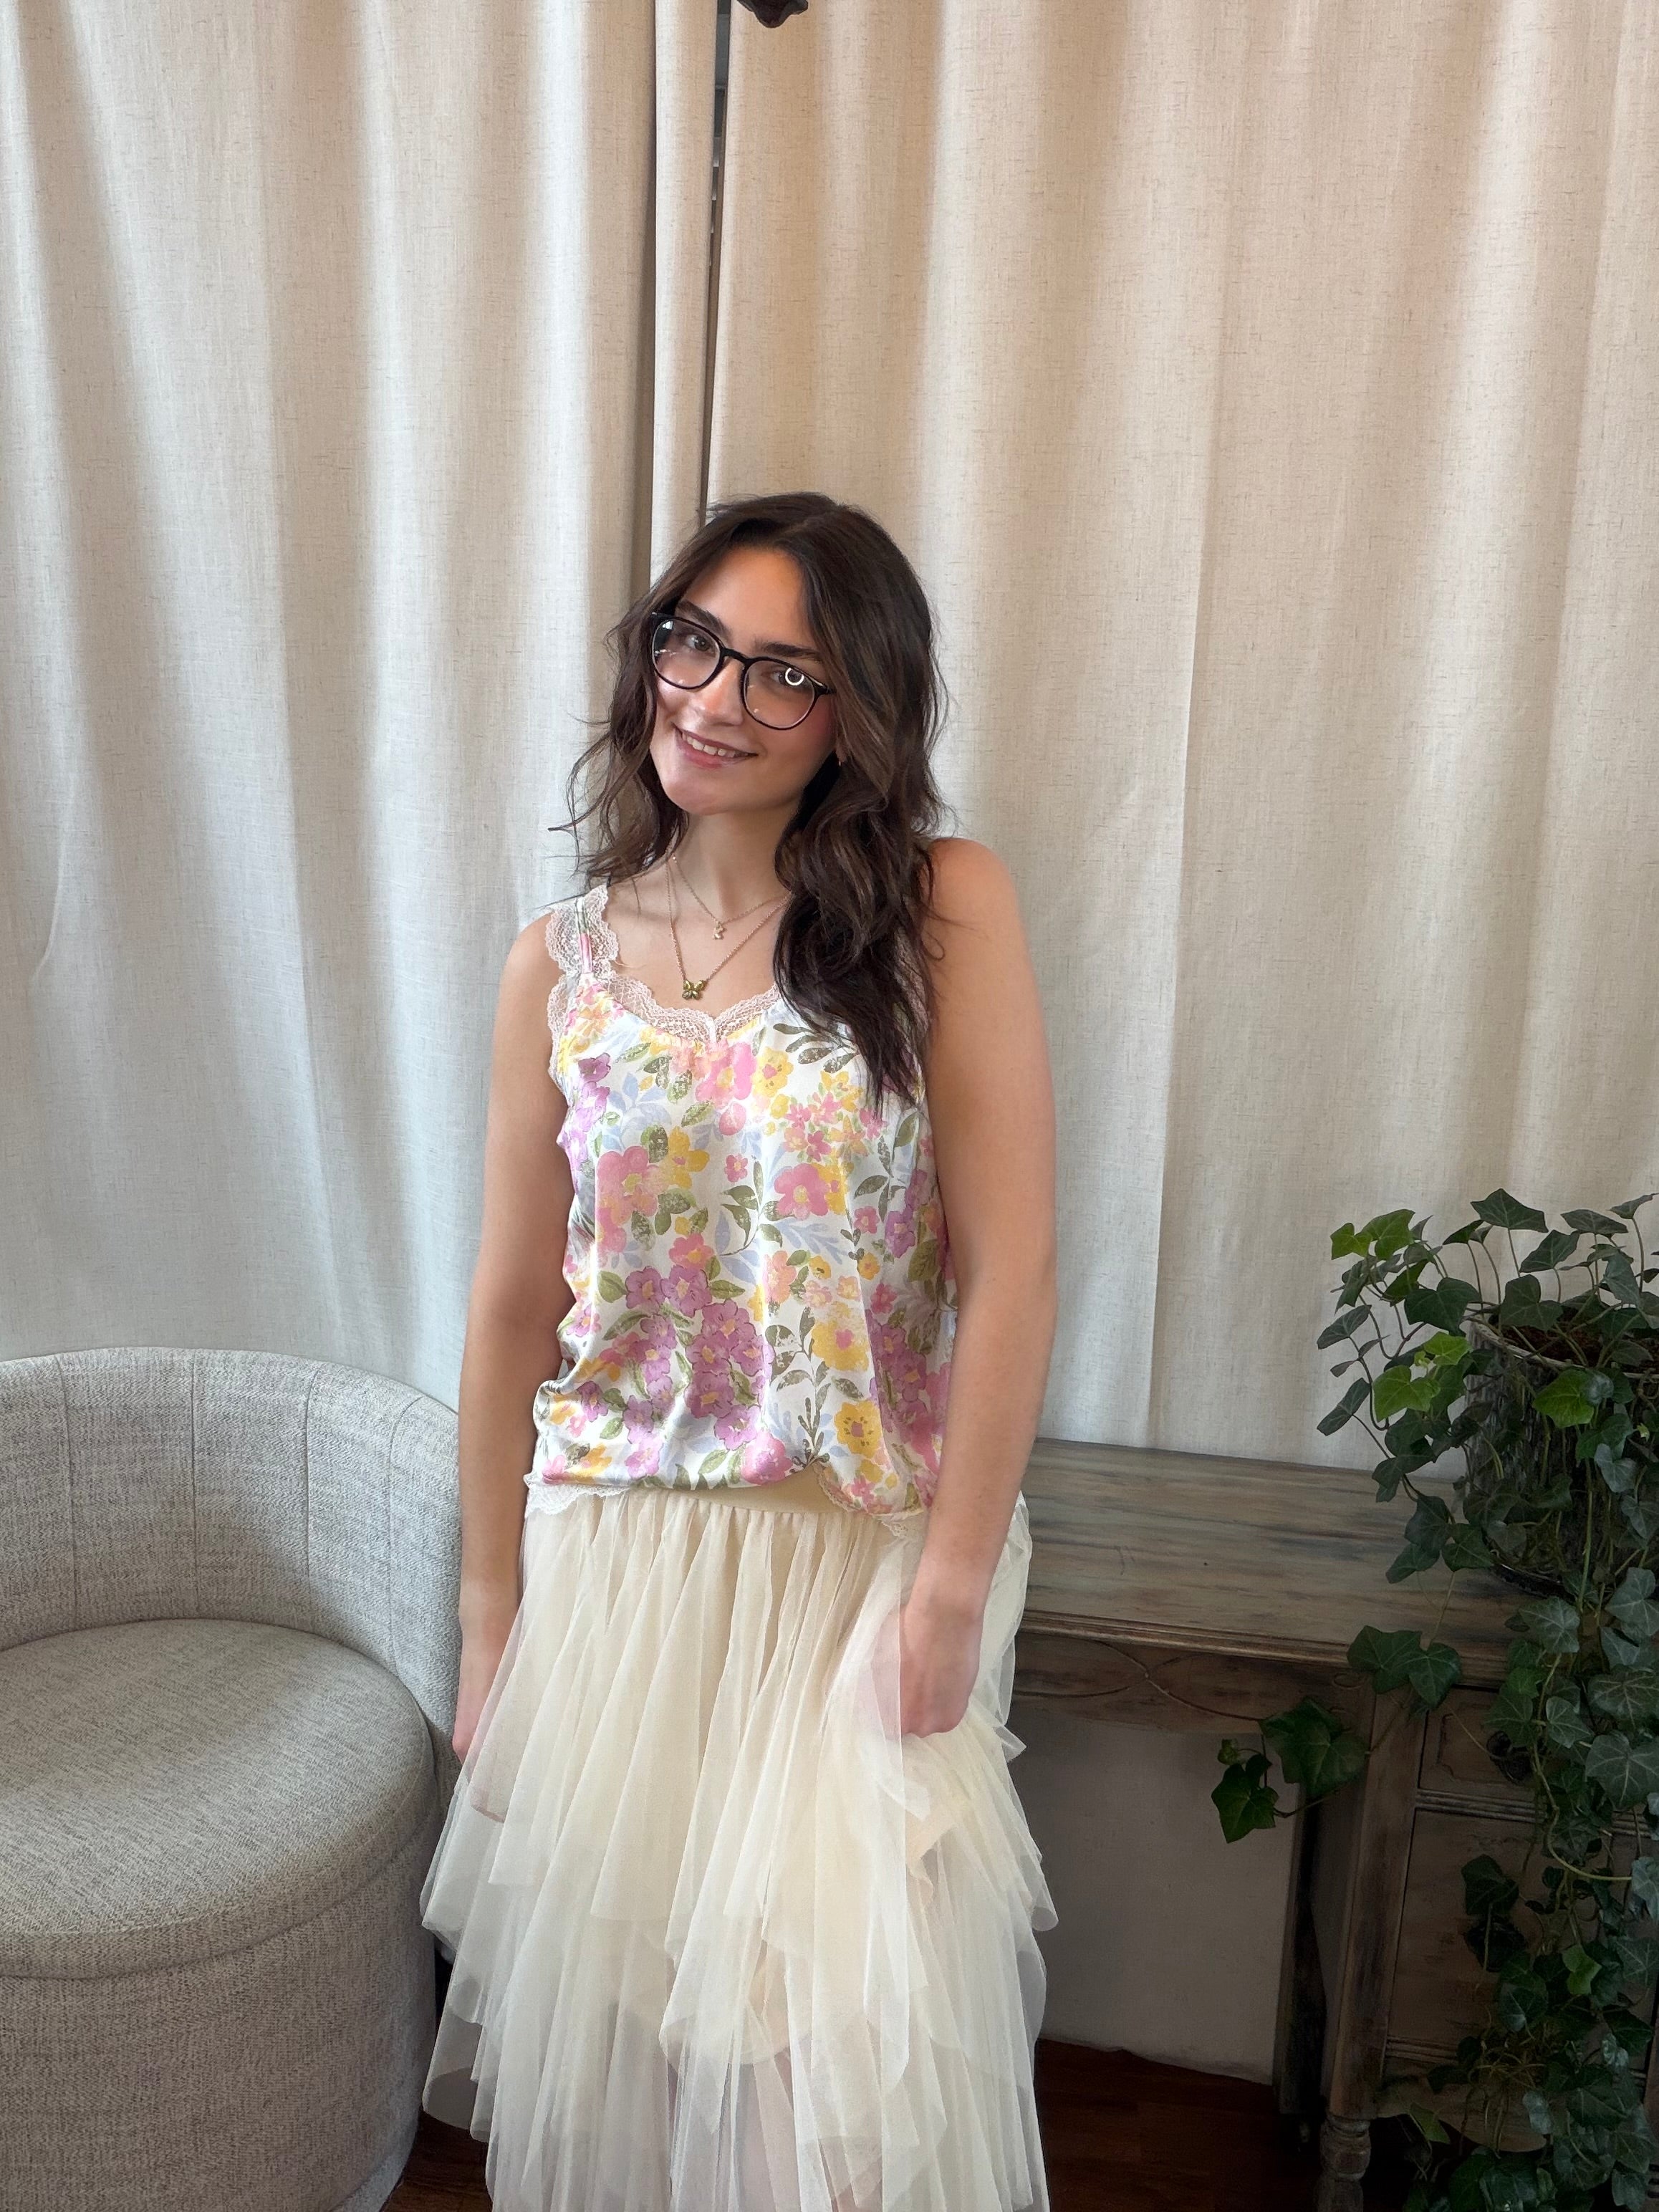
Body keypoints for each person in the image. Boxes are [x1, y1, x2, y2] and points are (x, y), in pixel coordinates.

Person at [418, 490, 1060, 2211]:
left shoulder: (942, 908)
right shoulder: (557, 962)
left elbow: (1012, 1270)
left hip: (854, 1547)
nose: (716, 696)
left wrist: (951, 1583)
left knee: (826, 2085)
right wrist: (493, 1619)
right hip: (616, 1548)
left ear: (861, 709)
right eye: (693, 641)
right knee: (636, 2049)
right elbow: (507, 1304)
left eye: (787, 670)